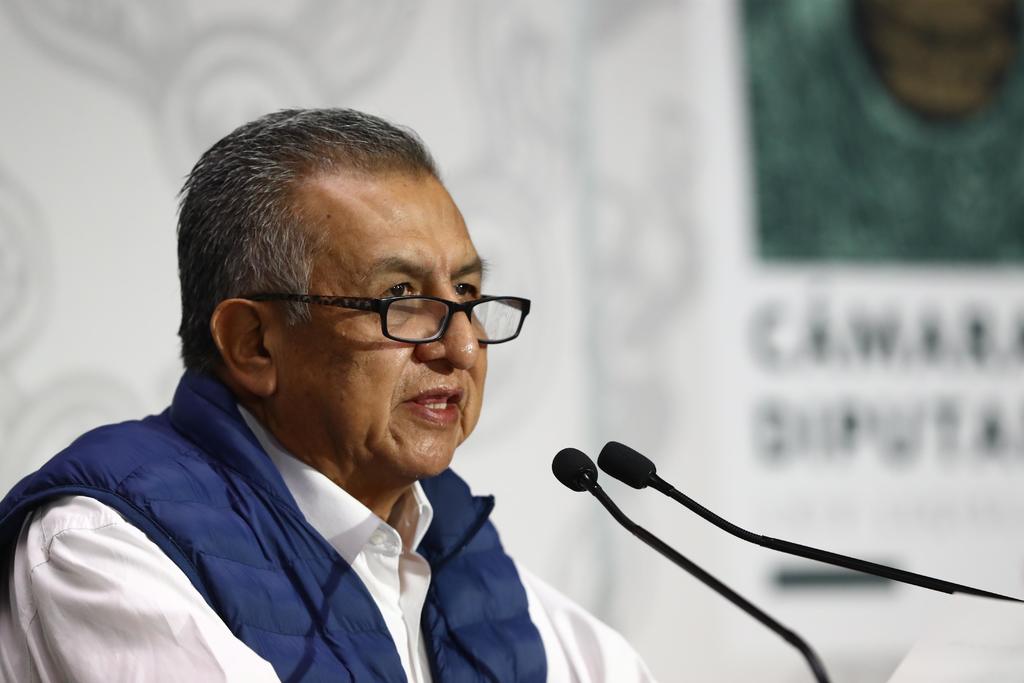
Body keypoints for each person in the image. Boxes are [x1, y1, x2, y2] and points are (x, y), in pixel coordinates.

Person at [0, 109, 654, 682]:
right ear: (254, 343)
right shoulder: (98, 546)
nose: (460, 347)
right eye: (401, 297)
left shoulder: (460, 553)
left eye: (465, 293)